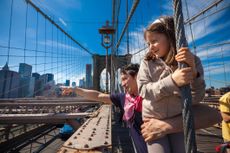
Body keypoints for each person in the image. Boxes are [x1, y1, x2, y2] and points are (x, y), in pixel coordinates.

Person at [137, 16, 206, 153]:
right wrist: (172, 81)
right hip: (152, 119)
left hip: (177, 120)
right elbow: (143, 90)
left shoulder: (192, 61)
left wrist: (194, 73)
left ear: (170, 37)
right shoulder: (147, 62)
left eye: (154, 41)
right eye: (148, 44)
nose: (150, 47)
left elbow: (197, 98)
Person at [62, 64, 148, 153]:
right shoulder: (123, 98)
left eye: (125, 79)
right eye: (121, 80)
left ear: (137, 76)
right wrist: (74, 89)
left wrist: (164, 126)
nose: (122, 84)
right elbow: (98, 95)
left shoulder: (156, 95)